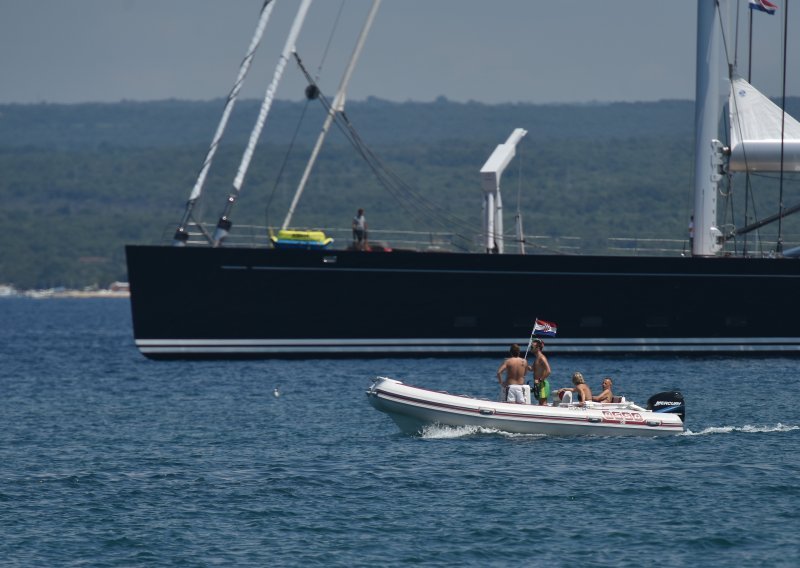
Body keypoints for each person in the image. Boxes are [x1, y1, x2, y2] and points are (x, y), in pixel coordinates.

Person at [528, 338, 551, 405]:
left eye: (532, 347)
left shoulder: (542, 358)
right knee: (541, 404)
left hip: (542, 384)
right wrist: (525, 365)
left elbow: (548, 371)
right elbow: (532, 369)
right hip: (538, 384)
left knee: (543, 404)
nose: (530, 348)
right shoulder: (537, 358)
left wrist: (540, 380)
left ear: (538, 348)